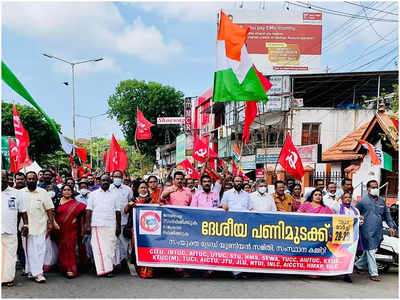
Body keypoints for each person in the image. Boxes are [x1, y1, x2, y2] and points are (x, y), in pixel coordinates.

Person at [355, 180, 396, 282]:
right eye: (373, 187)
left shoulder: (382, 201)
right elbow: (355, 213)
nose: (375, 189)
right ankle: (374, 273)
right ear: (368, 189)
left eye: (376, 187)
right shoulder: (362, 201)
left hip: (378, 230)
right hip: (366, 230)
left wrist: (391, 226)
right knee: (370, 250)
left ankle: (358, 265)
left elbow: (387, 215)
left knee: (371, 250)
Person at [21, 171, 58, 283]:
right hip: (26, 228)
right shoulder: (20, 193)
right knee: (29, 251)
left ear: (37, 180)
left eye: (33, 179)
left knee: (40, 251)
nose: (31, 180)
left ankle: (36, 272)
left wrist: (51, 223)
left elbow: (49, 209)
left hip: (41, 227)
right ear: (26, 180)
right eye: (29, 179)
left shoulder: (43, 193)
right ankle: (35, 272)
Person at [85, 174, 121, 277]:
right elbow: (89, 210)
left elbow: (118, 211)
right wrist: (87, 225)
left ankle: (108, 268)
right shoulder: (93, 194)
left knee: (110, 248)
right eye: (103, 180)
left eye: (107, 180)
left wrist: (118, 226)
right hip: (97, 224)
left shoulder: (115, 194)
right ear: (99, 182)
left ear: (110, 182)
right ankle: (103, 269)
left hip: (111, 224)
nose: (105, 182)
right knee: (98, 248)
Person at [2, 170, 29, 287]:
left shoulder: (16, 193)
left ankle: (8, 278)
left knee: (10, 256)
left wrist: (26, 225)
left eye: (3, 178)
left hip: (11, 230)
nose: (1, 180)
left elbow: (23, 211)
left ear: (8, 179)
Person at [221, 175, 250, 279]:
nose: (238, 183)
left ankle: (241, 270)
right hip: (231, 224)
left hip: (243, 224)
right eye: (236, 181)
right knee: (232, 247)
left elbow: (250, 209)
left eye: (240, 181)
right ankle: (233, 270)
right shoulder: (227, 194)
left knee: (242, 247)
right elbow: (223, 206)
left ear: (242, 182)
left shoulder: (247, 195)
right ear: (233, 182)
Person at [54, 185, 86, 278]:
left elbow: (82, 217)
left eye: (69, 190)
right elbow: (52, 214)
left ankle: (70, 269)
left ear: (72, 192)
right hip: (59, 229)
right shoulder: (56, 202)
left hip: (71, 228)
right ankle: (64, 267)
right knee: (61, 247)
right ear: (62, 191)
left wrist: (78, 222)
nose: (67, 191)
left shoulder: (77, 204)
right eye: (65, 190)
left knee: (70, 247)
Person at [125, 182, 154, 278]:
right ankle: (138, 268)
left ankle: (148, 270)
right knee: (136, 249)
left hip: (148, 229)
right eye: (141, 188)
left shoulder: (152, 201)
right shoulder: (133, 200)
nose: (143, 189)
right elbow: (125, 211)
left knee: (147, 248)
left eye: (145, 187)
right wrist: (129, 205)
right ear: (137, 190)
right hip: (135, 229)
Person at [110, 170, 133, 272]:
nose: (117, 178)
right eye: (115, 176)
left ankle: (124, 261)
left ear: (122, 178)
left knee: (124, 243)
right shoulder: (109, 189)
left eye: (119, 177)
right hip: (111, 220)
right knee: (113, 243)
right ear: (112, 177)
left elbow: (131, 202)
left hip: (124, 220)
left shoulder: (128, 190)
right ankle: (114, 264)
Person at [338, 191, 363, 283]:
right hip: (343, 235)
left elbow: (359, 223)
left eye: (349, 197)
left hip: (354, 235)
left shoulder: (355, 210)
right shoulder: (339, 209)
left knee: (351, 255)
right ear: (342, 199)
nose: (348, 199)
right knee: (343, 253)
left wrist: (360, 220)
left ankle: (347, 274)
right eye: (346, 197)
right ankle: (339, 271)